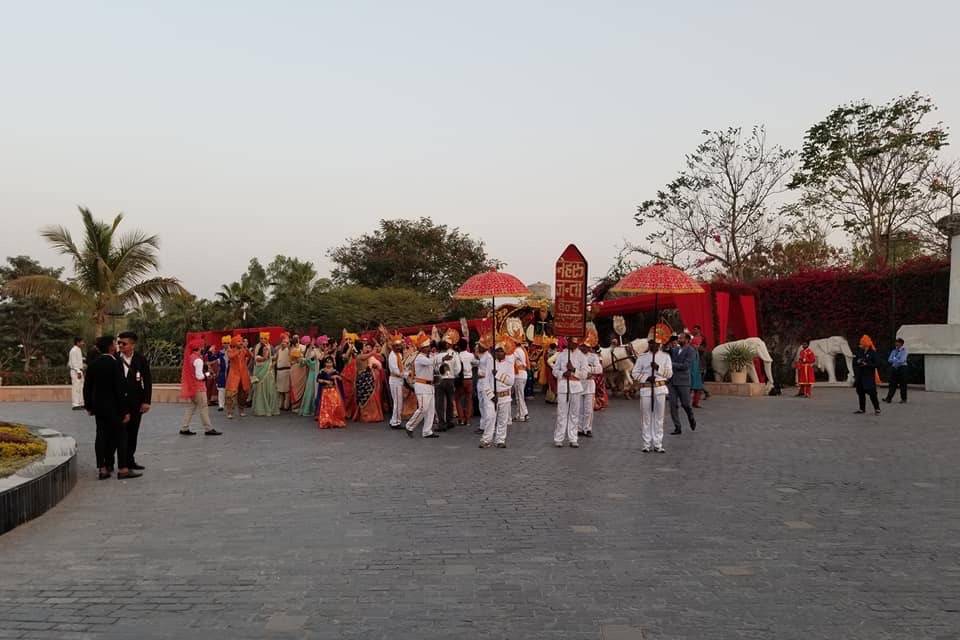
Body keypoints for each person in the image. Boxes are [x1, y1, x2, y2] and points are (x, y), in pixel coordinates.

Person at [84, 335, 140, 479]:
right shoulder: (116, 363)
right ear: (110, 346)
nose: (117, 345)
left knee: (101, 436)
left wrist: (89, 406)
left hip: (99, 408)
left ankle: (102, 468)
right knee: (121, 435)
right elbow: (120, 388)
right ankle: (123, 469)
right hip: (114, 408)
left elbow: (87, 387)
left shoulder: (93, 364)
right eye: (115, 343)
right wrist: (125, 410)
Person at [116, 331, 151, 471]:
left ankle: (130, 460)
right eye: (119, 343)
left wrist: (147, 401)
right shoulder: (115, 359)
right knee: (120, 433)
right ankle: (120, 464)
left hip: (136, 402)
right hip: (119, 403)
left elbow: (147, 380)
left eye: (124, 343)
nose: (120, 346)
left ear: (132, 344)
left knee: (133, 433)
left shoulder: (140, 359)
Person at [631, 338, 673, 453]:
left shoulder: (665, 357)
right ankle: (646, 443)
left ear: (659, 344)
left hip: (660, 388)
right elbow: (634, 373)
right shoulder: (642, 357)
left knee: (659, 417)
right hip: (646, 388)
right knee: (646, 417)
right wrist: (646, 378)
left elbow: (669, 374)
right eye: (651, 343)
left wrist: (658, 368)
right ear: (649, 344)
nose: (653, 345)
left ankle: (658, 443)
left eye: (656, 344)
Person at [179, 339, 222, 436]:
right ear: (199, 348)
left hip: (192, 387)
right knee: (203, 407)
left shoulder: (190, 357)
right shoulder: (198, 360)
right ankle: (208, 428)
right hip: (199, 388)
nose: (203, 348)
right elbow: (199, 376)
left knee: (191, 407)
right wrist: (207, 375)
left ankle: (184, 427)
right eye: (202, 347)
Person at [552, 339, 588, 448]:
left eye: (575, 342)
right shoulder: (561, 355)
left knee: (574, 414)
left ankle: (573, 438)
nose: (573, 344)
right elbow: (554, 370)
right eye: (571, 341)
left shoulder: (582, 356)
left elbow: (584, 374)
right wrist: (563, 373)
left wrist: (574, 370)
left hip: (576, 387)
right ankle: (559, 438)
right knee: (561, 413)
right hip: (563, 386)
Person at [480, 344, 515, 448]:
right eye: (497, 351)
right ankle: (486, 439)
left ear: (505, 352)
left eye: (501, 351)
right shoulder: (491, 363)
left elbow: (511, 381)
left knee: (502, 419)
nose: (499, 353)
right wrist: (491, 395)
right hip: (492, 396)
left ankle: (500, 440)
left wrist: (498, 374)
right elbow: (486, 381)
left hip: (505, 396)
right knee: (490, 417)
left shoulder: (509, 364)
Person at [405, 333, 438, 439]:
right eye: (427, 347)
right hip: (422, 386)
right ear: (422, 348)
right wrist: (441, 358)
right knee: (423, 408)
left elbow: (433, 366)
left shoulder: (429, 356)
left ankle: (427, 431)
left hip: (430, 386)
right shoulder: (419, 357)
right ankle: (409, 426)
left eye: (429, 346)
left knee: (431, 410)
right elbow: (431, 362)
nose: (429, 348)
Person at [668, 333, 697, 435]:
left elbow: (685, 366)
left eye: (681, 338)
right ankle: (677, 427)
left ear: (687, 340)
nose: (679, 339)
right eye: (679, 338)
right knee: (672, 405)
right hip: (672, 381)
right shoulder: (674, 349)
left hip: (683, 381)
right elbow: (665, 351)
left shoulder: (691, 351)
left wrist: (671, 364)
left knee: (685, 404)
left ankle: (691, 417)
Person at [578, 331, 603, 438]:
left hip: (589, 384)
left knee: (588, 409)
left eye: (587, 346)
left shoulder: (593, 357)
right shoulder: (576, 356)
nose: (585, 348)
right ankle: (578, 428)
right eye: (583, 346)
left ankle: (587, 428)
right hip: (579, 383)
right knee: (579, 408)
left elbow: (599, 369)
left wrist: (589, 369)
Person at [434, 337, 461, 431]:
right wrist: (453, 373)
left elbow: (433, 368)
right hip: (450, 379)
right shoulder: (453, 355)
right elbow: (458, 369)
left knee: (439, 402)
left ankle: (441, 423)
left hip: (439, 380)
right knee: (450, 401)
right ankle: (450, 421)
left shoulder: (436, 357)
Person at [354, 342, 385, 422]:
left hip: (367, 377)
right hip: (363, 379)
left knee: (372, 395)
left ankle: (372, 415)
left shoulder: (364, 356)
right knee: (366, 395)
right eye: (365, 347)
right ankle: (368, 416)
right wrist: (374, 350)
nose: (366, 348)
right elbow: (370, 355)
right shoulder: (360, 356)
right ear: (361, 349)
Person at [252, 332, 280, 417]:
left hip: (269, 371)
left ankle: (271, 408)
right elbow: (256, 358)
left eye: (265, 338)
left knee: (270, 389)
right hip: (260, 370)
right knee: (260, 389)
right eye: (261, 338)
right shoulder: (257, 347)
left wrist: (272, 364)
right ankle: (261, 409)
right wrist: (263, 358)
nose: (263, 340)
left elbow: (275, 358)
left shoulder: (271, 347)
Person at [853, 334, 881, 415]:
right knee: (860, 392)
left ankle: (877, 408)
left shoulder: (873, 353)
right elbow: (855, 361)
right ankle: (862, 408)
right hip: (860, 376)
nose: (860, 345)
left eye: (862, 343)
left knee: (872, 393)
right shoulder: (860, 352)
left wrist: (867, 364)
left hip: (868, 376)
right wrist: (858, 362)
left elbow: (877, 364)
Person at [225, 335, 251, 419]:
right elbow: (230, 356)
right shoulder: (230, 350)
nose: (241, 343)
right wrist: (238, 351)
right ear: (235, 343)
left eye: (241, 341)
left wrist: (246, 349)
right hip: (234, 374)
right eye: (239, 341)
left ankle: (241, 410)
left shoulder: (244, 350)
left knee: (243, 393)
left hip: (243, 374)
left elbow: (251, 356)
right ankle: (230, 412)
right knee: (231, 394)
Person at [317, 357, 346, 428]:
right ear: (325, 363)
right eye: (327, 362)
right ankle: (326, 421)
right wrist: (325, 381)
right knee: (326, 407)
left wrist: (336, 376)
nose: (329, 364)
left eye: (330, 362)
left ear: (333, 363)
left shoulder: (335, 371)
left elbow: (340, 379)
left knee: (335, 406)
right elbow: (318, 380)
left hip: (333, 391)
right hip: (325, 391)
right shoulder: (322, 371)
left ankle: (335, 420)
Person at [474, 338, 494, 436]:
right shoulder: (483, 356)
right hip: (480, 382)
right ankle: (482, 425)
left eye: (480, 345)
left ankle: (487, 426)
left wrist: (488, 386)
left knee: (486, 405)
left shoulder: (489, 357)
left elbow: (489, 373)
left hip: (485, 383)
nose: (478, 347)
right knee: (481, 404)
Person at [454, 339, 476, 426]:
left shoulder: (457, 356)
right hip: (470, 379)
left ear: (458, 346)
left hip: (461, 379)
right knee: (468, 399)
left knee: (457, 398)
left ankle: (461, 418)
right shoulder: (471, 355)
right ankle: (468, 419)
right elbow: (475, 364)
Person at [387, 334, 407, 427]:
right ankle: (395, 422)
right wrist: (406, 374)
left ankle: (394, 421)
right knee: (398, 402)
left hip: (399, 380)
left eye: (399, 345)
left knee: (398, 402)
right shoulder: (392, 356)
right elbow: (395, 371)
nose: (399, 347)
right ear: (393, 346)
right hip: (395, 380)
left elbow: (402, 367)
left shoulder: (398, 354)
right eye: (397, 346)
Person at [299, 338, 321, 417]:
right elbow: (305, 361)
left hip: (316, 374)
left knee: (314, 391)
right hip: (312, 375)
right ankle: (308, 409)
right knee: (310, 391)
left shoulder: (318, 353)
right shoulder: (310, 355)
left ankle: (315, 409)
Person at [289, 336, 311, 413]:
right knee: (296, 387)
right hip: (296, 370)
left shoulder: (296, 350)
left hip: (299, 370)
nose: (299, 343)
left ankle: (298, 405)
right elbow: (300, 361)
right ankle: (295, 406)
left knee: (299, 386)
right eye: (298, 342)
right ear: (296, 343)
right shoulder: (295, 350)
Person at [884, 338, 909, 404]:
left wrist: (894, 359)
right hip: (894, 368)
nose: (896, 344)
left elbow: (902, 360)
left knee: (902, 384)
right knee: (892, 384)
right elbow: (889, 359)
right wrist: (896, 359)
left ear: (901, 344)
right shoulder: (894, 351)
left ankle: (903, 399)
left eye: (897, 342)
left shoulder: (904, 351)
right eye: (896, 342)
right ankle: (888, 398)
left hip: (902, 368)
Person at [206, 338, 228, 410]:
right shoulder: (220, 353)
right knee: (220, 388)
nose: (226, 344)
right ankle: (221, 405)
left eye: (227, 343)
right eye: (224, 343)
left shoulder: (233, 351)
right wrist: (209, 352)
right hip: (219, 373)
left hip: (231, 372)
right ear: (222, 343)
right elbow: (210, 360)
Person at [512, 339, 530, 422]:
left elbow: (512, 359)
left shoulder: (516, 351)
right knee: (519, 396)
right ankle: (519, 414)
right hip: (522, 374)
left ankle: (524, 414)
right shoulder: (522, 350)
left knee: (519, 396)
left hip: (519, 375)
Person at [275, 333, 293, 411]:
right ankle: (280, 404)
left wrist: (288, 342)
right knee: (280, 390)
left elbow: (290, 350)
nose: (283, 343)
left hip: (286, 370)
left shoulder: (289, 349)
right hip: (279, 372)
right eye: (282, 342)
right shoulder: (278, 350)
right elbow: (276, 358)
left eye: (285, 342)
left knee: (286, 390)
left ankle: (286, 405)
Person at [68, 337, 86, 410]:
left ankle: (81, 403)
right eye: (82, 342)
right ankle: (75, 404)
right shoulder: (73, 350)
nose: (83, 343)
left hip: (80, 371)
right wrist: (78, 371)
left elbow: (78, 360)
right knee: (76, 388)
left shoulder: (78, 350)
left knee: (81, 387)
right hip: (75, 371)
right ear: (78, 342)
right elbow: (74, 362)